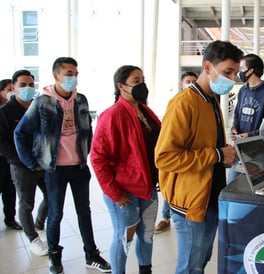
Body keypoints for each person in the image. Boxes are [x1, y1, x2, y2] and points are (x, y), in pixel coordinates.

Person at [14, 57, 110, 274]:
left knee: (84, 212)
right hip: (54, 169)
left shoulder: (81, 100)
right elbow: (20, 133)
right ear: (56, 76)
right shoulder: (42, 102)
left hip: (79, 168)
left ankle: (91, 254)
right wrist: (31, 162)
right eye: (68, 74)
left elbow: (88, 131)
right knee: (55, 214)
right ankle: (55, 257)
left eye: (75, 73)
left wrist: (87, 153)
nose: (72, 78)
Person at [155, 40, 242, 273]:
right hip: (190, 202)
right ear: (207, 67)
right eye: (227, 72)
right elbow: (164, 157)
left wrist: (227, 153)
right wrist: (216, 154)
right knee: (190, 267)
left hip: (209, 196)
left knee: (201, 261)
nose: (232, 79)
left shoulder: (212, 100)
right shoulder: (184, 103)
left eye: (235, 73)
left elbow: (208, 145)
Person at [90, 65, 160, 274]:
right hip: (124, 191)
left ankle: (144, 270)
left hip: (147, 187)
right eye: (136, 81)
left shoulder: (146, 112)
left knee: (147, 235)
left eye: (143, 80)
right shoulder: (112, 115)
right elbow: (98, 158)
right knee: (124, 237)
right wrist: (114, 193)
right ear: (121, 86)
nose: (142, 85)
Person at [0, 71, 48, 256]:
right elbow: (3, 142)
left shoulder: (38, 107)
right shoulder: (5, 112)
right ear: (13, 88)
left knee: (51, 197)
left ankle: (39, 223)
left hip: (42, 164)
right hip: (21, 166)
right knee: (26, 203)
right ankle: (33, 238)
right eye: (23, 85)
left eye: (30, 84)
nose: (28, 88)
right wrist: (26, 162)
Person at [154, 71, 198, 234]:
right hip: (176, 157)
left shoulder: (200, 102)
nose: (191, 83)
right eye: (188, 81)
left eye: (194, 81)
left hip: (190, 160)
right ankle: (165, 217)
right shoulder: (178, 103)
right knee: (171, 187)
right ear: (181, 84)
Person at [227, 53, 264, 183]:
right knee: (231, 184)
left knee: (253, 186)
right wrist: (235, 128)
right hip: (241, 148)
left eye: (241, 68)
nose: (239, 72)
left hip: (259, 150)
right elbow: (237, 114)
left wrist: (250, 135)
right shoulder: (243, 90)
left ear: (251, 70)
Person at [0, 78, 22, 231]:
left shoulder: (13, 109)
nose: (11, 92)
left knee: (10, 188)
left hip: (11, 157)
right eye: (8, 89)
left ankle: (10, 218)